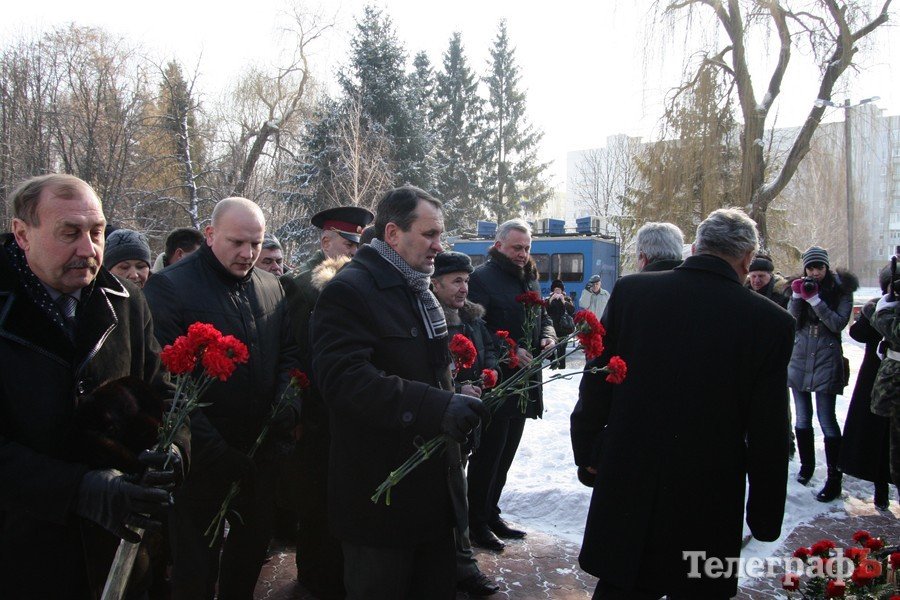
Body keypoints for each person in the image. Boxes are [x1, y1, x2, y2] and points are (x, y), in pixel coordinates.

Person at [571, 208, 794, 600]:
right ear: (747, 259)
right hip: (709, 491)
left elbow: (598, 378)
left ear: (695, 248)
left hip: (631, 476)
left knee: (623, 586)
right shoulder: (769, 321)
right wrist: (764, 514)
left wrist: (588, 449)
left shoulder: (633, 292)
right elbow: (769, 428)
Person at [0, 174, 184, 598]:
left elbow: (163, 391)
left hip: (116, 552)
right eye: (69, 233)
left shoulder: (126, 300)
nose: (89, 249)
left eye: (96, 232)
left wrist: (175, 451)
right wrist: (76, 491)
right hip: (22, 553)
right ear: (22, 234)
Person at [311, 186, 487, 599]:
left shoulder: (418, 288)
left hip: (430, 496)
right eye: (429, 234)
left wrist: (458, 399)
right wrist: (437, 407)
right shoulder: (350, 289)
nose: (438, 246)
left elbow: (427, 370)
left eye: (440, 235)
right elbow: (344, 381)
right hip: (380, 501)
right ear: (392, 234)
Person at [143, 197, 301, 600]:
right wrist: (213, 451)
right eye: (237, 242)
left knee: (248, 558)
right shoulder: (171, 287)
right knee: (195, 570)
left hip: (260, 454)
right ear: (210, 235)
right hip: (201, 461)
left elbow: (288, 353)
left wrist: (284, 407)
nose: (248, 254)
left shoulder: (271, 286)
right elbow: (167, 382)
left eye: (256, 243)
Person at [278, 204, 374, 599]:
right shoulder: (302, 286)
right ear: (325, 241)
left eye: (358, 244)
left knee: (343, 500)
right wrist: (298, 411)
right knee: (317, 502)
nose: (354, 251)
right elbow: (297, 353)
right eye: (348, 243)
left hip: (347, 411)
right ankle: (315, 581)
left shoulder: (358, 283)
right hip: (316, 414)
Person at [467, 218, 555, 552]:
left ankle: (491, 512)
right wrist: (509, 351)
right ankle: (475, 521)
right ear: (499, 245)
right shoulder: (481, 278)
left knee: (506, 454)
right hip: (498, 380)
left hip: (524, 383)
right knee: (488, 455)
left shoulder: (530, 277)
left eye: (527, 248)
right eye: (517, 247)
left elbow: (544, 317)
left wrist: (547, 336)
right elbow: (476, 326)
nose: (522, 253)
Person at [432, 251, 501, 597]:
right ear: (436, 284)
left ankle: (458, 562)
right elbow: (428, 374)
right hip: (441, 421)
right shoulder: (431, 319)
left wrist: (491, 372)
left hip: (467, 419)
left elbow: (489, 350)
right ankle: (460, 565)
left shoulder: (472, 319)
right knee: (450, 496)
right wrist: (458, 391)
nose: (464, 288)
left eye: (467, 281)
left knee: (457, 490)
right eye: (456, 281)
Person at [787, 246, 858, 502]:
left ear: (827, 267)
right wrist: (797, 297)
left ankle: (834, 477)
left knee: (827, 419)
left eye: (819, 268)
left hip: (827, 358)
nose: (815, 273)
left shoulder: (841, 290)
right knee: (802, 417)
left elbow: (837, 324)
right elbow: (790, 322)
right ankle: (806, 467)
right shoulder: (799, 286)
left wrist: (816, 300)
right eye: (810, 268)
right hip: (799, 358)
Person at [839, 266, 894, 509]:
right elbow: (858, 333)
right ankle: (881, 488)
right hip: (874, 379)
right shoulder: (877, 307)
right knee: (875, 435)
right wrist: (877, 311)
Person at [547, 278, 575, 369]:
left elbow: (572, 310)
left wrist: (564, 301)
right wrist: (551, 300)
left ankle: (562, 367)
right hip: (553, 329)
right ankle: (553, 366)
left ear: (562, 290)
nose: (557, 291)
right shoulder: (549, 299)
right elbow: (545, 310)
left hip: (564, 328)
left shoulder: (567, 299)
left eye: (559, 290)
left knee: (562, 349)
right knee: (552, 349)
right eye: (556, 290)